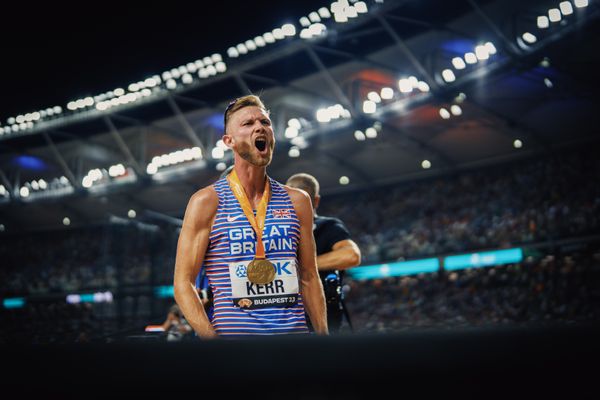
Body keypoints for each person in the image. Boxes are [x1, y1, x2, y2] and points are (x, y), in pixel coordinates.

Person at [173, 95, 328, 338]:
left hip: (295, 344)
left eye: (265, 122)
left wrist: (323, 338)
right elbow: (183, 283)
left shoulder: (298, 201)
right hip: (237, 351)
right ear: (229, 141)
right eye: (248, 124)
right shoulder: (206, 202)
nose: (260, 127)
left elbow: (309, 276)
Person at [286, 173, 361, 333]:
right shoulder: (276, 229)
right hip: (287, 314)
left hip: (322, 315)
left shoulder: (327, 226)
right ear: (317, 200)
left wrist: (303, 266)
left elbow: (351, 255)